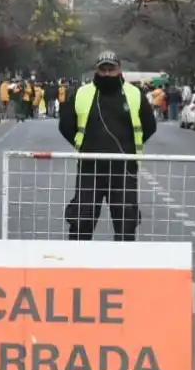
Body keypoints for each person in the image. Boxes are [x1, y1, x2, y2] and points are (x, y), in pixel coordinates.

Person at [59, 51, 158, 241]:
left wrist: (130, 146)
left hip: (124, 168)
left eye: (110, 69)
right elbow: (65, 124)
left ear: (119, 70)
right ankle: (76, 264)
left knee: (125, 222)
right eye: (102, 69)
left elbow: (149, 126)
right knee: (82, 219)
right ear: (96, 70)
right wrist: (83, 144)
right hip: (90, 166)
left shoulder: (134, 94)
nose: (106, 74)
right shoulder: (83, 93)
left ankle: (123, 266)